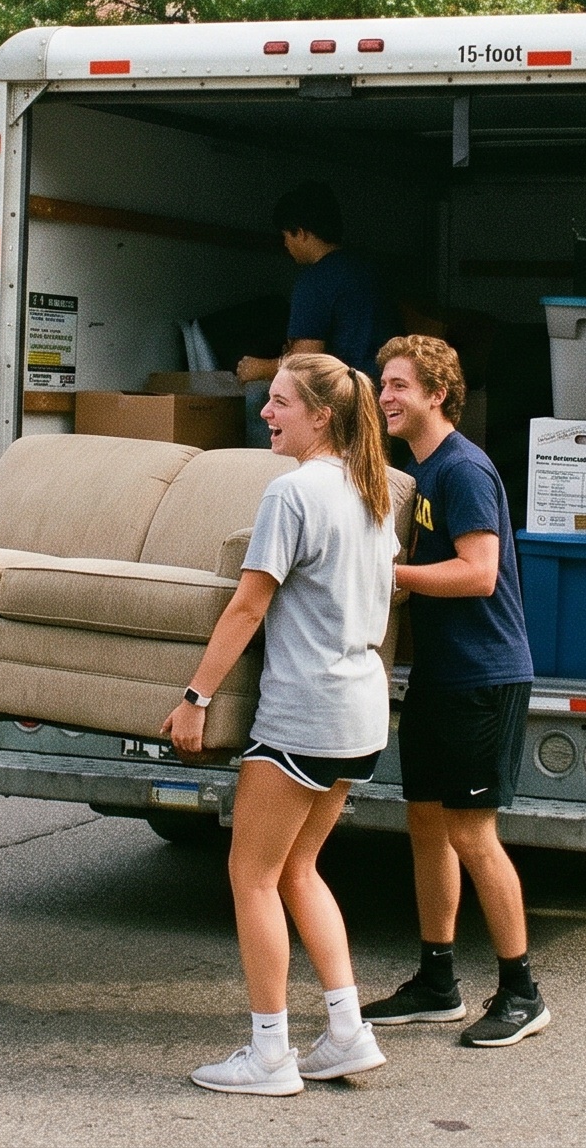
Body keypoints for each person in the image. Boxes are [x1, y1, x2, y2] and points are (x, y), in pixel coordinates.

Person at [164, 351, 397, 1095]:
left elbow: (248, 605)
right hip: (360, 711)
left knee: (252, 874)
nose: (266, 413)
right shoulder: (375, 490)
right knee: (299, 869)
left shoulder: (293, 492)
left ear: (320, 415)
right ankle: (347, 1032)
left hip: (304, 712)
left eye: (280, 403)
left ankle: (269, 1055)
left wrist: (196, 698)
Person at [363, 336, 550, 1046]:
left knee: (473, 834)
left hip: (485, 676)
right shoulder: (420, 471)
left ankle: (522, 991)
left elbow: (479, 573)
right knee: (425, 824)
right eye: (383, 385)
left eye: (399, 386)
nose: (386, 397)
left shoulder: (464, 470)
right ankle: (437, 981)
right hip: (441, 676)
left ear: (437, 394)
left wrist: (391, 575)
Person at [236, 182, 393, 383]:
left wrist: (260, 368)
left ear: (300, 233)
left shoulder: (314, 281)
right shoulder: (368, 268)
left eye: (285, 236)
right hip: (387, 387)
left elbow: (306, 361)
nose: (285, 244)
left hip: (349, 394)